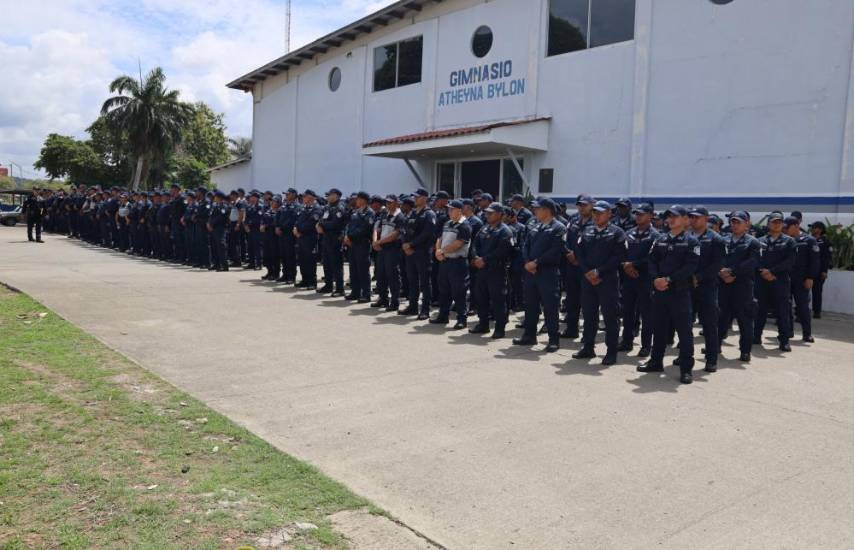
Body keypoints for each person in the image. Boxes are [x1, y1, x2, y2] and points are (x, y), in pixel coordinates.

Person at [637, 205, 700, 384]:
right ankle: (656, 361)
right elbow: (651, 261)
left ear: (685, 219)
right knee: (659, 329)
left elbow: (690, 267)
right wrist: (656, 279)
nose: (671, 219)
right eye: (669, 216)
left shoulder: (691, 242)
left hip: (679, 292)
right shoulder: (660, 239)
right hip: (660, 292)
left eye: (675, 216)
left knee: (684, 332)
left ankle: (686, 368)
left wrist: (668, 279)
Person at [573, 200, 627, 365]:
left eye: (601, 213)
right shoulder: (586, 231)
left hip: (607, 280)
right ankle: (588, 347)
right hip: (588, 279)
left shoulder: (617, 232)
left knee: (610, 317)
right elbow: (579, 253)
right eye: (595, 212)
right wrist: (587, 271)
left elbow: (618, 256)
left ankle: (611, 352)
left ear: (610, 214)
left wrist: (599, 271)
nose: (596, 216)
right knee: (589, 315)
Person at [513, 197, 566, 353]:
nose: (534, 211)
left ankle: (553, 340)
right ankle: (529, 335)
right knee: (530, 305)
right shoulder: (535, 225)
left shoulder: (559, 227)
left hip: (547, 272)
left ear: (547, 210)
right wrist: (528, 262)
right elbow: (525, 245)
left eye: (538, 208)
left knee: (550, 307)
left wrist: (536, 262)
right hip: (531, 272)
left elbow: (555, 250)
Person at [718, 211, 761, 362]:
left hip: (742, 287)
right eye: (733, 222)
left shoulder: (753, 242)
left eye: (738, 222)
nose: (735, 225)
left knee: (745, 320)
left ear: (747, 224)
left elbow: (752, 262)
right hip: (723, 285)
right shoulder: (723, 240)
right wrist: (722, 272)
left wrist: (732, 272)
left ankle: (745, 351)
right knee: (721, 317)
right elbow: (717, 258)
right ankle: (715, 346)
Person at [688, 206, 726, 370]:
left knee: (709, 325)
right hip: (687, 287)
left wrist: (699, 277)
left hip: (707, 287)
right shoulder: (686, 236)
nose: (694, 220)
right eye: (692, 217)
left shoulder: (716, 239)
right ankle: (685, 356)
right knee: (685, 324)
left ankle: (711, 359)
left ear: (705, 219)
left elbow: (717, 264)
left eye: (697, 217)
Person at [619, 202, 658, 357]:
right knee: (627, 311)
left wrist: (633, 265)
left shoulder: (656, 235)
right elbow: (621, 252)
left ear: (650, 216)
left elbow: (652, 258)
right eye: (637, 213)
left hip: (645, 279)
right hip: (628, 278)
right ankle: (626, 341)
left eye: (642, 214)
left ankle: (646, 345)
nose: (638, 216)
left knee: (646, 313)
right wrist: (625, 265)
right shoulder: (628, 233)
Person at [470, 202, 513, 339]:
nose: (487, 215)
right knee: (481, 297)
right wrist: (475, 257)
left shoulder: (505, 231)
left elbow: (503, 250)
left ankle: (500, 328)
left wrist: (485, 259)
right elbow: (474, 244)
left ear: (500, 214)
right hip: (482, 270)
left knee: (498, 300)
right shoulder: (484, 229)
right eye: (487, 213)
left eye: (491, 213)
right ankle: (483, 324)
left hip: (496, 270)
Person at [753, 212, 795, 352]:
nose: (776, 224)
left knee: (782, 312)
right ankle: (756, 336)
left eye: (779, 222)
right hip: (762, 280)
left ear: (782, 224)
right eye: (773, 221)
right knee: (760, 310)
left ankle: (784, 341)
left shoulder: (789, 241)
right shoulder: (759, 241)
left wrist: (773, 272)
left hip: (780, 281)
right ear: (768, 224)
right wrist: (763, 271)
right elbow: (755, 260)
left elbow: (790, 261)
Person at [430, 200, 472, 329]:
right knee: (444, 290)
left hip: (457, 263)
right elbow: (440, 239)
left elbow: (459, 243)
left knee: (458, 292)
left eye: (452, 209)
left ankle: (461, 319)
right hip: (445, 261)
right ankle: (443, 316)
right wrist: (438, 250)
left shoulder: (464, 225)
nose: (449, 211)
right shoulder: (447, 223)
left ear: (459, 211)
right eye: (448, 209)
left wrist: (442, 251)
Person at [400, 189, 437, 320]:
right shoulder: (412, 213)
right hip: (410, 252)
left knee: (425, 282)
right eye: (414, 197)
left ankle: (425, 309)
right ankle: (413, 306)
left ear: (425, 198)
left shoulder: (429, 214)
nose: (415, 199)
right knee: (412, 280)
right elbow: (404, 230)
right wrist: (405, 244)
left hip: (422, 252)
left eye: (418, 197)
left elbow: (428, 233)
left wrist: (411, 245)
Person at [562, 195, 594, 339]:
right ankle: (571, 329)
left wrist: (579, 258)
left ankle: (587, 335)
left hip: (586, 267)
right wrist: (569, 253)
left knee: (588, 303)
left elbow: (596, 247)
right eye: (580, 205)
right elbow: (565, 238)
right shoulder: (573, 219)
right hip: (571, 265)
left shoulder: (597, 220)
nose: (582, 207)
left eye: (585, 205)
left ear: (592, 205)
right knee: (572, 299)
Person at [785, 216, 819, 343]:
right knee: (786, 306)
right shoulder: (785, 240)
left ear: (795, 226)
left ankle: (807, 334)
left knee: (803, 307)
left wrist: (810, 277)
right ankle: (788, 331)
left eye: (787, 227)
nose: (785, 230)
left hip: (802, 279)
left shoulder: (809, 240)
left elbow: (815, 261)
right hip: (786, 279)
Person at [372, 195, 405, 311]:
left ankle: (394, 301)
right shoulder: (384, 214)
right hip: (382, 249)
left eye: (390, 203)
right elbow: (377, 228)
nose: (388, 205)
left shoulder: (400, 217)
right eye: (386, 203)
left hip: (393, 249)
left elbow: (395, 234)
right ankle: (383, 298)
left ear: (397, 203)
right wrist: (375, 241)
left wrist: (379, 242)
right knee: (380, 274)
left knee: (393, 275)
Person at [344, 191, 375, 302]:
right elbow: (349, 225)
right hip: (352, 244)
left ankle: (366, 294)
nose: (356, 201)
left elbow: (365, 228)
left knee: (362, 269)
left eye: (358, 199)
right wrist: (346, 236)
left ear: (363, 200)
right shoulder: (355, 212)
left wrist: (350, 236)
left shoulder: (369, 213)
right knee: (353, 269)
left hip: (362, 244)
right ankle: (355, 292)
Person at [317, 188, 348, 294]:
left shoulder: (340, 208)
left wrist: (322, 225)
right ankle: (328, 285)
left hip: (336, 239)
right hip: (326, 238)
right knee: (326, 263)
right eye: (329, 195)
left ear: (337, 196)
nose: (329, 196)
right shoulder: (327, 207)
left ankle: (340, 288)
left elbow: (335, 224)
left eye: (331, 195)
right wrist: (320, 224)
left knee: (336, 264)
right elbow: (321, 219)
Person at [294, 189, 322, 289]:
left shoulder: (317, 209)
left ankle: (312, 282)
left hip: (310, 238)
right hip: (301, 238)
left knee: (310, 261)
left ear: (311, 197)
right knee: (302, 260)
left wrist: (299, 230)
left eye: (305, 196)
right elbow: (297, 220)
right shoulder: (303, 208)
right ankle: (305, 280)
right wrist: (295, 228)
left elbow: (311, 224)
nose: (303, 198)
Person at [276, 188, 301, 285]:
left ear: (294, 195)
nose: (286, 195)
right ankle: (285, 274)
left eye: (288, 194)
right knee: (283, 255)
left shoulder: (297, 206)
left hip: (290, 233)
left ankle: (291, 276)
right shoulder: (284, 206)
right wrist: (277, 226)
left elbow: (294, 220)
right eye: (286, 194)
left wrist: (284, 226)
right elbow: (277, 216)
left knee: (290, 255)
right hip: (282, 233)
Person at [809, 221, 832, 319]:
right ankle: (800, 312)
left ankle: (817, 312)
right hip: (808, 270)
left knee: (817, 292)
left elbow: (827, 257)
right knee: (803, 291)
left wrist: (824, 271)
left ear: (819, 229)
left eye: (814, 227)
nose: (812, 229)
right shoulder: (809, 239)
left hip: (819, 271)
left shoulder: (825, 241)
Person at [207, 190, 231, 272]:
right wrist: (209, 223)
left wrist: (211, 224)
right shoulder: (215, 205)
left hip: (220, 228)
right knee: (214, 246)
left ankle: (224, 265)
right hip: (213, 228)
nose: (214, 198)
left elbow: (221, 217)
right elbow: (210, 215)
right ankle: (216, 264)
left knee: (221, 247)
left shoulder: (223, 206)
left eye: (216, 196)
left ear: (219, 197)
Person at [261, 195, 282, 280]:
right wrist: (262, 224)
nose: (271, 203)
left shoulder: (279, 211)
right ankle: (269, 272)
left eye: (274, 201)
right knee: (266, 256)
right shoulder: (268, 211)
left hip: (274, 236)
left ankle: (275, 273)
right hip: (266, 235)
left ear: (278, 203)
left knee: (275, 256)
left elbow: (276, 223)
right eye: (271, 201)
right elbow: (263, 219)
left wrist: (266, 225)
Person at [243, 191, 263, 270]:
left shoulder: (260, 207)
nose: (250, 198)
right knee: (250, 246)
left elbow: (259, 218)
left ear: (256, 198)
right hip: (250, 229)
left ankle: (258, 263)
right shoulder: (249, 206)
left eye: (252, 197)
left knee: (257, 247)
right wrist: (245, 225)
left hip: (257, 229)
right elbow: (246, 217)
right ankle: (251, 263)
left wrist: (249, 223)